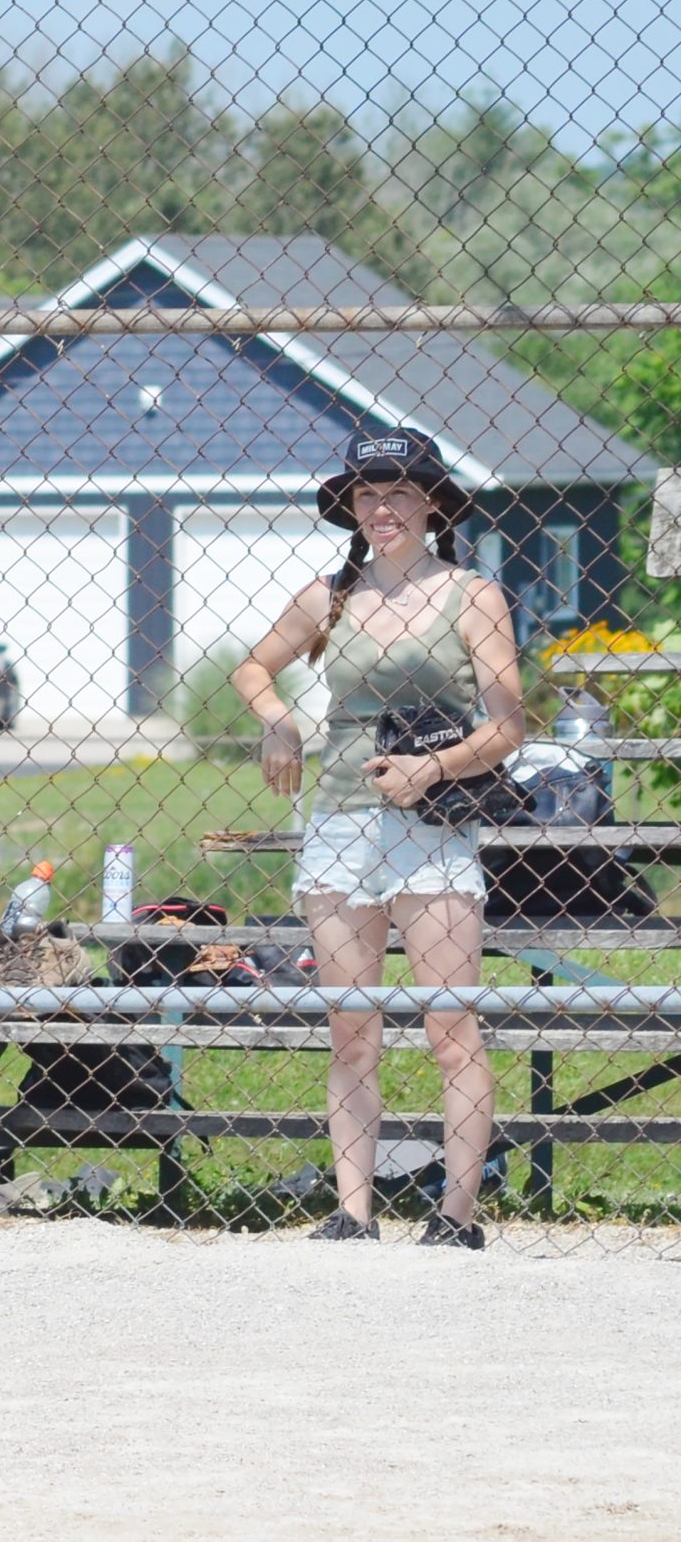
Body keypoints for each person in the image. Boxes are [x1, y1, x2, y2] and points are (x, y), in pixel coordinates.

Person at [235, 429, 525, 1248]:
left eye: (400, 492)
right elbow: (253, 669)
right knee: (352, 1027)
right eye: (367, 495)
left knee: (448, 1028)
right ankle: (352, 1210)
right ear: (351, 509)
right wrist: (279, 722)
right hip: (340, 823)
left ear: (433, 503)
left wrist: (434, 772)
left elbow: (510, 726)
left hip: (433, 827)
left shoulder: (472, 595)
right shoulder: (329, 594)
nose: (383, 508)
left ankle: (455, 1216)